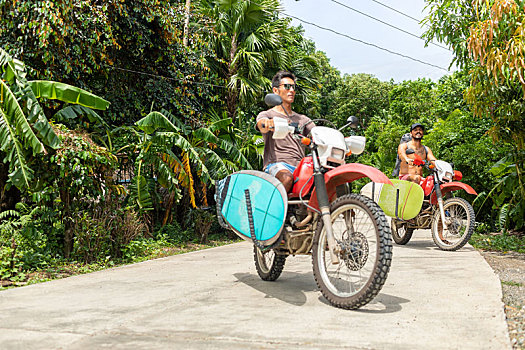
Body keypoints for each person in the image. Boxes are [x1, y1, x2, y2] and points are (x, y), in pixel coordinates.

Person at [256, 71, 315, 193]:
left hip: (301, 166)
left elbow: (317, 132)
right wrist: (267, 124)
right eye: (287, 86)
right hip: (278, 165)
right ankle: (272, 210)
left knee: (328, 178)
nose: (292, 90)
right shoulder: (268, 114)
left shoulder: (303, 119)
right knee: (287, 178)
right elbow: (261, 124)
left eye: (294, 87)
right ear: (276, 91)